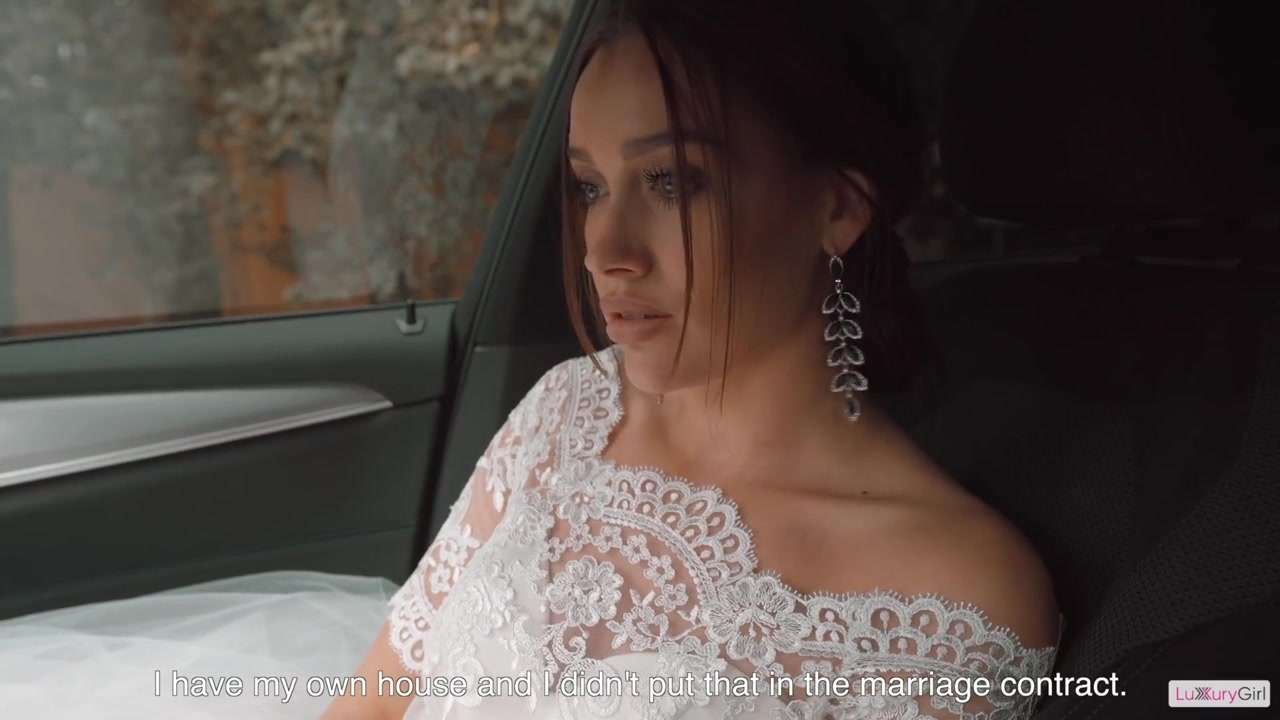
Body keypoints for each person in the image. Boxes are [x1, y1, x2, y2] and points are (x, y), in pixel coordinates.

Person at [324, 1, 1061, 719]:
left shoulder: (957, 597)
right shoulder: (566, 412)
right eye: (590, 188)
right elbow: (377, 700)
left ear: (837, 207)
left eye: (672, 181)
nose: (604, 251)